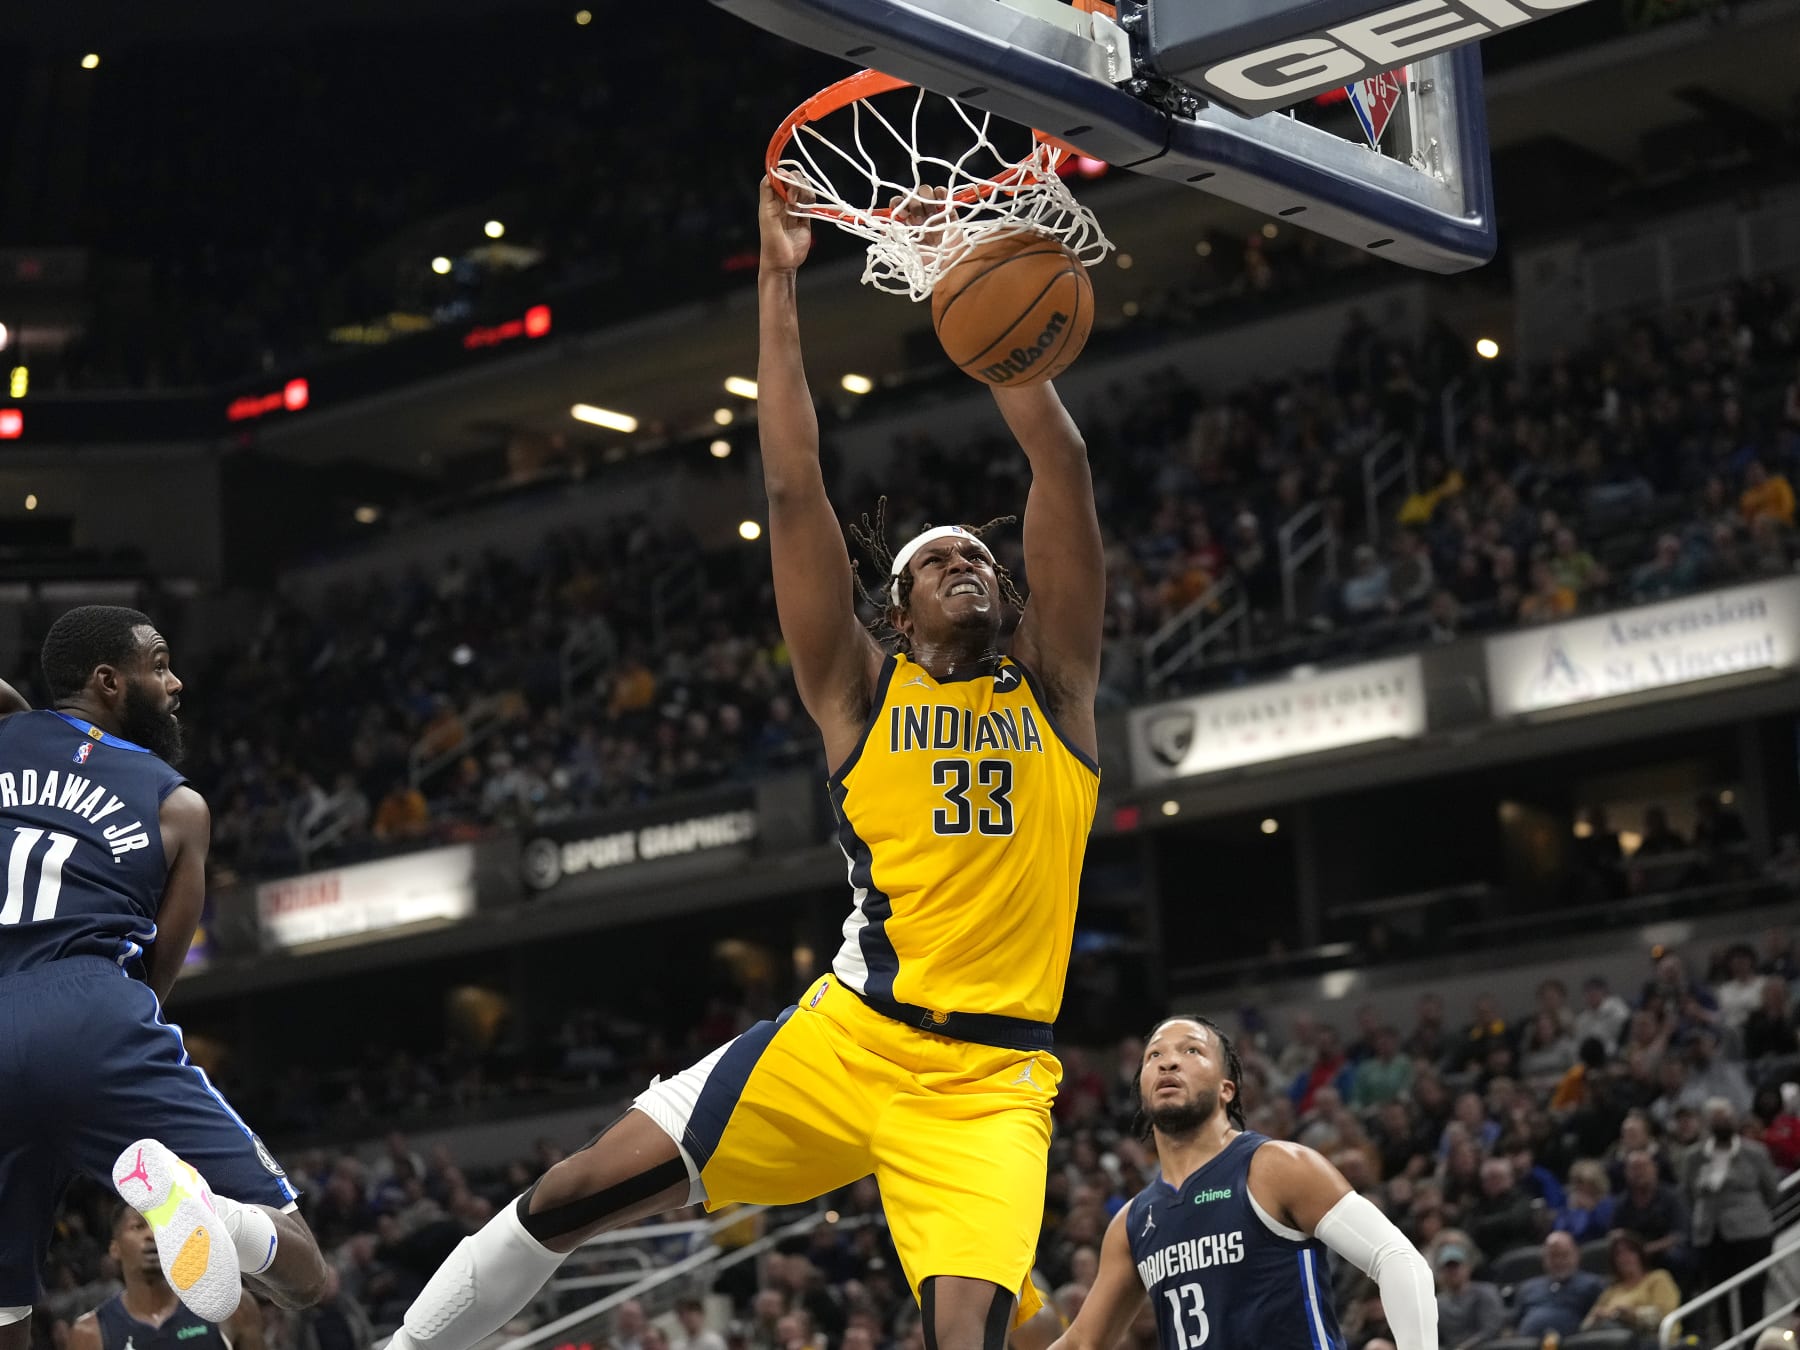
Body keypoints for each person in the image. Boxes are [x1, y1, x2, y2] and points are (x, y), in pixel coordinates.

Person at [385, 181, 1106, 1350]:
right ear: (896, 607)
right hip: (850, 1035)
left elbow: (1060, 472)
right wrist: (777, 280)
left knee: (966, 1337)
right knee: (573, 1193)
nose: (968, 563)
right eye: (939, 561)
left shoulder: (1058, 691)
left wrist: (993, 323)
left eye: (981, 556)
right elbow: (791, 485)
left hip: (989, 1085)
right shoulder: (859, 690)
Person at [0, 607, 328, 1344]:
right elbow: (155, 981)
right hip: (92, 1008)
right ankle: (226, 1220)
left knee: (6, 1312)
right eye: (159, 664)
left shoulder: (4, 738)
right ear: (108, 681)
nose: (175, 682)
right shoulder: (179, 805)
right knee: (306, 1270)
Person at [1042, 1016, 1438, 1350]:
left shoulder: (1276, 1167)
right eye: (1154, 1056)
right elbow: (1081, 1343)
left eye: (1191, 1051)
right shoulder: (1133, 1222)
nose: (1168, 1063)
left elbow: (1397, 1259)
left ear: (1226, 1090)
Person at [68, 1207, 265, 1350]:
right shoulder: (89, 1333)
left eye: (159, 1225)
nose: (152, 1235)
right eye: (138, 1226)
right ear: (115, 1248)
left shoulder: (232, 1307)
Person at [1684, 1097, 1780, 1336]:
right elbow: (1688, 1193)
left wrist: (1750, 1213)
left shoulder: (1754, 1152)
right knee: (1721, 1300)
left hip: (1751, 1234)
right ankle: (1730, 1341)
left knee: (1752, 1296)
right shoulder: (1694, 1157)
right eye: (1716, 1118)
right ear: (1707, 1123)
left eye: (1726, 1117)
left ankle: (1754, 1342)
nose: (1722, 1122)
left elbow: (1772, 1190)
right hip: (1711, 1236)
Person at [1582, 1231, 1681, 1342]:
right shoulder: (1612, 1290)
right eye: (1618, 1254)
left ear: (1639, 1254)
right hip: (1612, 1338)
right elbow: (1585, 1326)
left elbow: (1665, 1314)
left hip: (1650, 1338)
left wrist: (1633, 1315)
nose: (1625, 1258)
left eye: (1630, 1251)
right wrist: (1596, 1318)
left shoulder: (1658, 1278)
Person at [1512, 1231, 1603, 1339]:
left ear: (1576, 1255)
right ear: (1544, 1258)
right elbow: (1513, 1325)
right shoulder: (1528, 1288)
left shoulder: (1591, 1285)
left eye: (1564, 1255)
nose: (1558, 1261)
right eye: (1553, 1256)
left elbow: (1597, 1322)